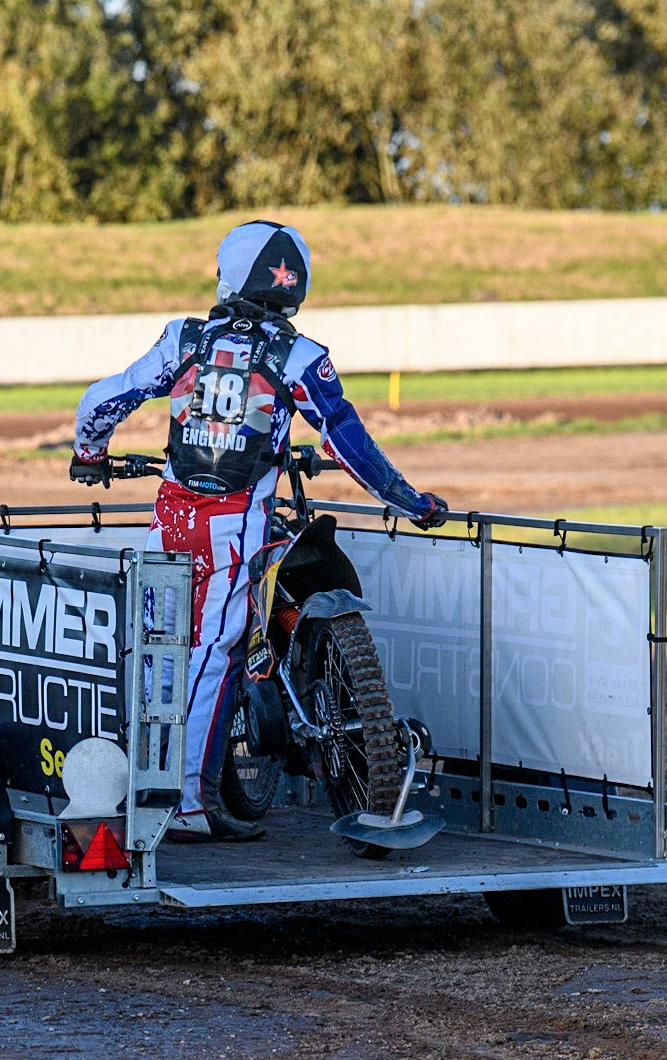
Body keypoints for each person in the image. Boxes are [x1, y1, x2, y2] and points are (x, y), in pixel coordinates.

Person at [70, 221, 450, 842]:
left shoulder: (182, 339)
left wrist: (91, 454)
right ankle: (187, 804)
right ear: (293, 284)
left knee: (156, 651)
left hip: (169, 520)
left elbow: (101, 401)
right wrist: (410, 501)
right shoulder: (300, 357)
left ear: (228, 273)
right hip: (233, 531)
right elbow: (351, 446)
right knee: (212, 657)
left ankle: (132, 781)